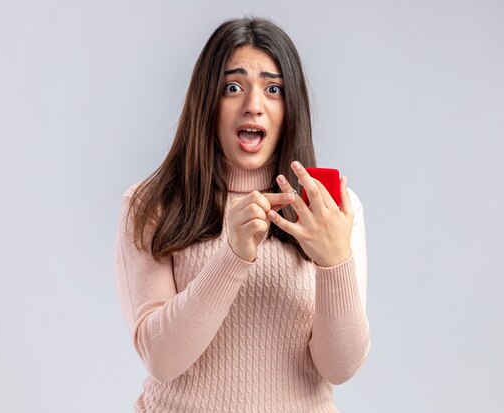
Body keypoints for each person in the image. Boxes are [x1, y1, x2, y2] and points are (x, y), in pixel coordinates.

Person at [114, 16, 370, 413]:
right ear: (208, 102)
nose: (253, 105)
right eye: (233, 87)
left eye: (273, 89)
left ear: (291, 106)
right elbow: (162, 359)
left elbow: (340, 367)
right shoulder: (151, 205)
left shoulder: (334, 211)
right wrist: (231, 257)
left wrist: (335, 262)